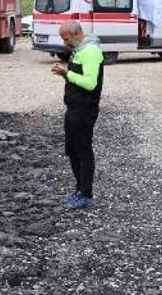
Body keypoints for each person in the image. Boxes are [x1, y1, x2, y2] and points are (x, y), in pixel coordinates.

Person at [51, 21, 104, 210]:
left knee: (83, 151)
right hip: (73, 108)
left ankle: (86, 194)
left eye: (66, 39)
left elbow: (90, 83)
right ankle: (79, 190)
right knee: (72, 150)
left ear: (76, 34)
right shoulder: (80, 49)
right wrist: (65, 73)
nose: (65, 44)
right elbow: (77, 76)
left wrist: (67, 73)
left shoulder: (90, 51)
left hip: (85, 109)